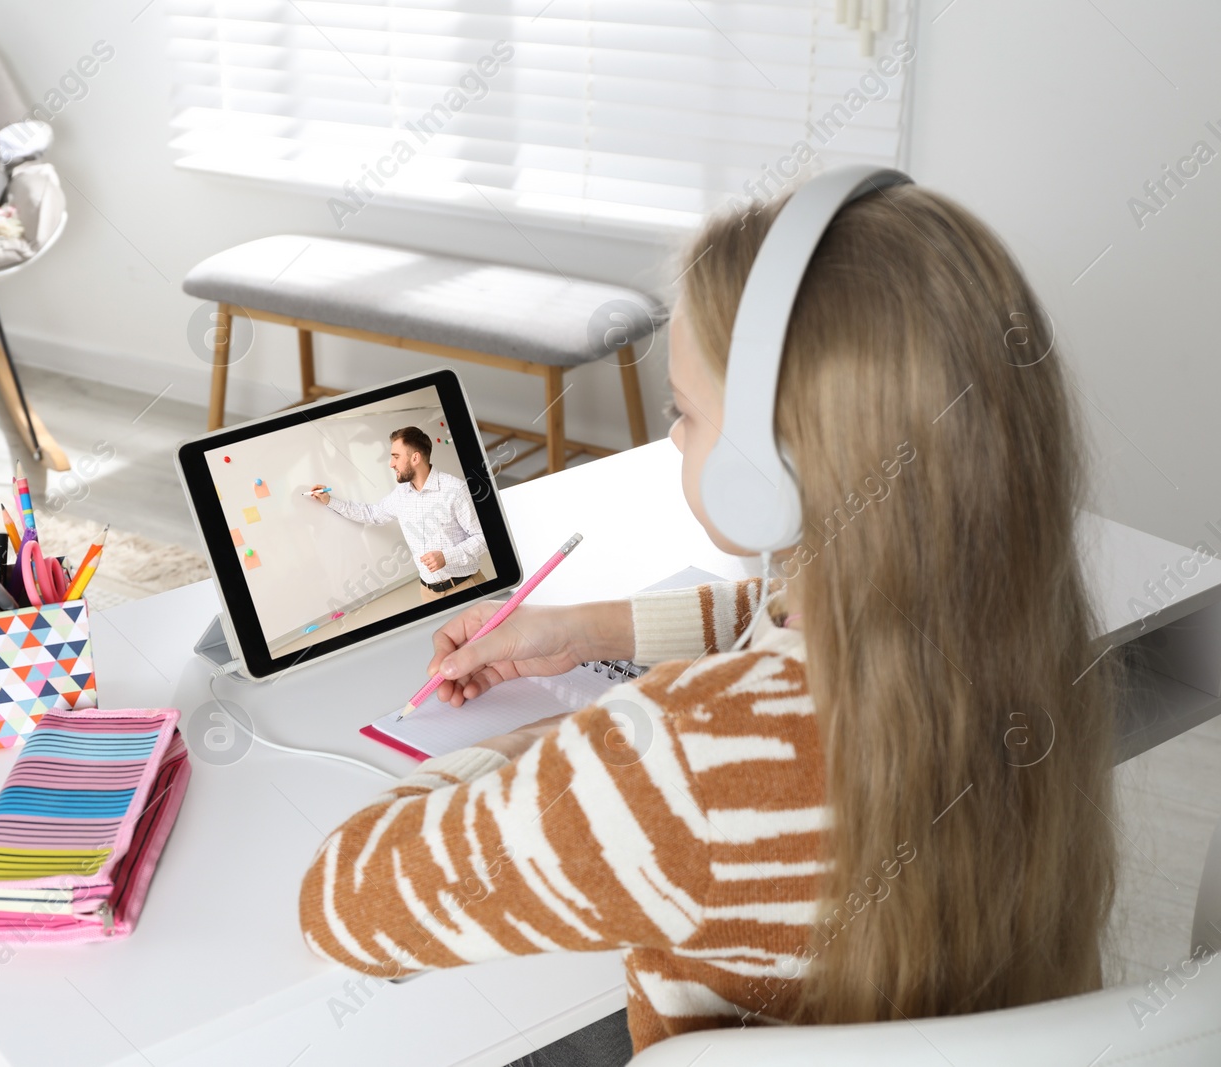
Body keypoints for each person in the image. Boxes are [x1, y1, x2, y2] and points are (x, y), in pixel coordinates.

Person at [298, 178, 1117, 1063]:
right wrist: (585, 633)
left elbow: (342, 899)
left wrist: (559, 740)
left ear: (780, 468)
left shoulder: (685, 761)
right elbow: (781, 621)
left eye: (685, 413)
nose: (675, 439)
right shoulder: (1020, 625)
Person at [311, 426, 487, 602]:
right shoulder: (402, 494)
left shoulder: (455, 490)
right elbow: (372, 514)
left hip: (466, 588)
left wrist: (446, 557)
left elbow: (483, 538)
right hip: (428, 593)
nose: (391, 464)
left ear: (415, 458)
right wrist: (329, 501)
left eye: (396, 457)